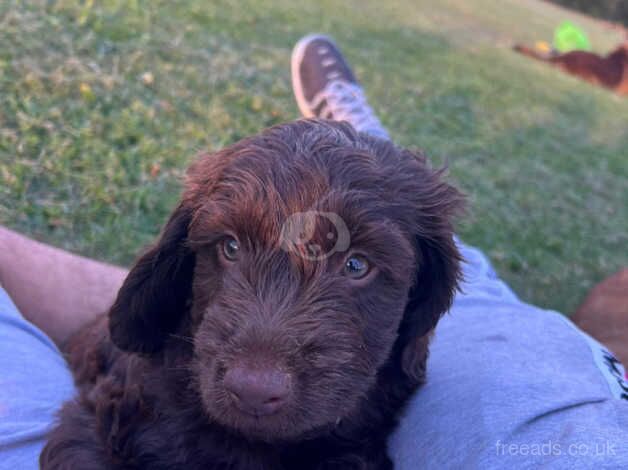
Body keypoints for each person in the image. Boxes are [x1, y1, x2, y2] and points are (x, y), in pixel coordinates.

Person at [1, 34, 627, 469]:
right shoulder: (148, 403)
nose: (258, 375)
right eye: (230, 247)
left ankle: (360, 150)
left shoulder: (401, 356)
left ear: (424, 303)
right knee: (506, 324)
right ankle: (360, 146)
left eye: (356, 267)